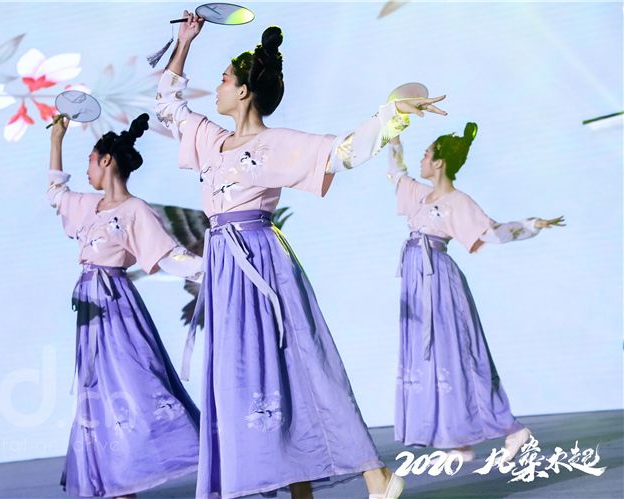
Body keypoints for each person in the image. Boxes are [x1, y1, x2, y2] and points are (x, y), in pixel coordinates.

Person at [155, 12, 446, 499]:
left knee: (301, 363)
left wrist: (393, 113)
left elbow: (343, 153)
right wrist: (184, 41)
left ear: (243, 91)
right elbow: (168, 103)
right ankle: (301, 490)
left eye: (224, 79)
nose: (217, 88)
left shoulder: (274, 144)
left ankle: (374, 474)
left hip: (262, 263)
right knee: (244, 378)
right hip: (226, 268)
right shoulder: (210, 139)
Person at [386, 126, 564, 463]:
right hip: (417, 281)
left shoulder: (458, 202)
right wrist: (394, 136)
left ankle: (512, 428)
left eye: (426, 154)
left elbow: (492, 233)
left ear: (439, 162)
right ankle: (460, 440)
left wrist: (530, 226)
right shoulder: (420, 195)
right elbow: (396, 173)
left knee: (460, 353)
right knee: (434, 357)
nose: (422, 159)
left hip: (438, 281)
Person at [47, 113, 203, 498]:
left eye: (90, 160)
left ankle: (190, 451)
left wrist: (215, 269)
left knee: (138, 381)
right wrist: (56, 140)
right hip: (90, 310)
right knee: (99, 392)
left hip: (117, 306)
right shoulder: (88, 205)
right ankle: (119, 482)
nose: (87, 169)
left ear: (106, 160)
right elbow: (55, 193)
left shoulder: (135, 210)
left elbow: (169, 257)